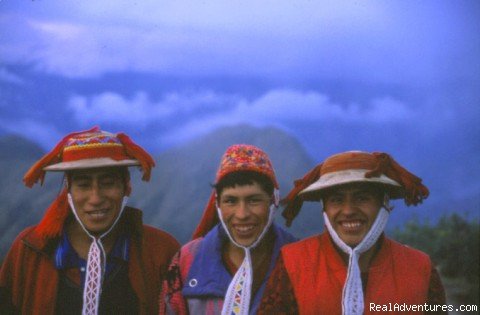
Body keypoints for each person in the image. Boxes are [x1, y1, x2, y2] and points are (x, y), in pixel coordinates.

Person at [0, 127, 180, 314]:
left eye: (108, 183)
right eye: (83, 185)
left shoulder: (161, 251)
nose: (95, 198)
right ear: (68, 191)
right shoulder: (30, 249)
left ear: (125, 187)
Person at [259, 151, 446, 315]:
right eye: (337, 200)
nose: (348, 210)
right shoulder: (293, 263)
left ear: (384, 204)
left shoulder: (420, 269)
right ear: (324, 208)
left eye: (362, 198)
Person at [160, 144, 297, 315]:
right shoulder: (186, 261)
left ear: (273, 201)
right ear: (217, 204)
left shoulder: (299, 260)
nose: (242, 214)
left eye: (254, 200)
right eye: (230, 201)